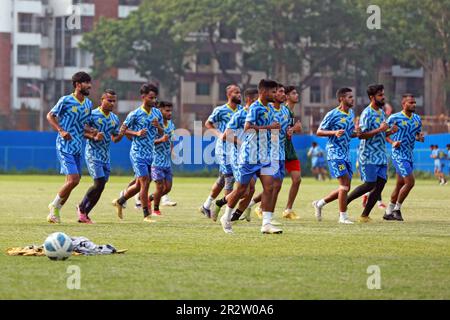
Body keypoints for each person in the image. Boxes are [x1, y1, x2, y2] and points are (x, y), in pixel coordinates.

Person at [219, 79, 282, 234]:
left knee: (270, 187)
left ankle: (266, 224)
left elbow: (271, 129)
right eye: (273, 92)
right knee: (241, 191)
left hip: (264, 156)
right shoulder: (255, 107)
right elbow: (247, 128)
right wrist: (269, 127)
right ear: (263, 92)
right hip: (249, 156)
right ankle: (226, 218)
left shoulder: (270, 109)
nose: (275, 94)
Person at [46, 71, 97, 223]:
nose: (89, 86)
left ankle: (55, 213)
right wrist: (61, 130)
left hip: (77, 147)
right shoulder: (66, 100)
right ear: (77, 85)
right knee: (73, 179)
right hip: (64, 145)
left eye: (90, 83)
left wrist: (91, 132)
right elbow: (50, 115)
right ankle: (53, 205)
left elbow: (83, 126)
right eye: (86, 83)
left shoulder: (88, 104)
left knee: (73, 181)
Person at [345, 84, 397, 222]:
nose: (383, 97)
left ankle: (364, 215)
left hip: (380, 155)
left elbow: (381, 132)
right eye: (380, 95)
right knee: (369, 184)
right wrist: (380, 130)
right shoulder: (367, 113)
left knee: (380, 185)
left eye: (383, 94)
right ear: (371, 97)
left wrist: (390, 131)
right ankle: (344, 202)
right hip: (368, 155)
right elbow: (361, 135)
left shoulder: (381, 112)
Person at [112, 83, 164, 223]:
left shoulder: (157, 113)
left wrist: (158, 126)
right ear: (143, 97)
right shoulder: (134, 114)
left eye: (155, 98)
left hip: (150, 154)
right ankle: (147, 215)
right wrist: (136, 133)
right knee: (145, 182)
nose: (154, 100)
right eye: (151, 97)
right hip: (137, 153)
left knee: (139, 185)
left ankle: (120, 200)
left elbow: (162, 132)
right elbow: (121, 130)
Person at [312, 88, 360, 224]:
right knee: (344, 183)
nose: (352, 99)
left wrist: (357, 132)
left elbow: (350, 133)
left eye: (352, 96)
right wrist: (334, 132)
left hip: (345, 153)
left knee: (345, 187)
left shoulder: (351, 113)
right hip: (335, 152)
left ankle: (320, 203)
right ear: (341, 99)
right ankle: (343, 217)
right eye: (350, 97)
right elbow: (319, 131)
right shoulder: (332, 114)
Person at [77, 89, 125, 223]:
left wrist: (122, 133)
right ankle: (81, 207)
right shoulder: (92, 115)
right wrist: (93, 136)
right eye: (109, 100)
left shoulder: (114, 118)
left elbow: (115, 139)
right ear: (102, 100)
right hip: (93, 154)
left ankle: (85, 214)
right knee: (98, 183)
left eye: (114, 101)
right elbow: (81, 131)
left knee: (101, 186)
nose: (112, 103)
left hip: (105, 156)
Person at [214, 88, 259, 222]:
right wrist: (241, 142)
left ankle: (233, 214)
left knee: (250, 190)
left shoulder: (257, 115)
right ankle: (224, 209)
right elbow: (225, 135)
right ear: (250, 100)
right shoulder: (239, 115)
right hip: (238, 158)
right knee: (244, 190)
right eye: (257, 101)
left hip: (253, 156)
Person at [199, 85, 242, 220]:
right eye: (236, 92)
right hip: (224, 150)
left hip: (237, 149)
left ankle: (206, 206)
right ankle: (227, 214)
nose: (239, 95)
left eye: (240, 92)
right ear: (229, 94)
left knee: (223, 179)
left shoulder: (242, 110)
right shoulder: (221, 110)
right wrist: (218, 134)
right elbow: (208, 123)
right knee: (229, 180)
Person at [383, 94, 424, 221]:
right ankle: (397, 209)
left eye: (415, 102)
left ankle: (388, 211)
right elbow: (383, 133)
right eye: (411, 102)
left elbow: (416, 134)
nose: (414, 104)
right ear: (403, 104)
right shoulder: (395, 117)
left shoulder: (417, 118)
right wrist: (392, 142)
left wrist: (419, 138)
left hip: (409, 155)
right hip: (398, 155)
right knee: (410, 182)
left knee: (400, 184)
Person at [151, 101, 176, 216]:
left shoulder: (171, 124)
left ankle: (148, 198)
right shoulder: (155, 124)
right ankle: (155, 209)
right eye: (167, 110)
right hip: (156, 161)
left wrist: (172, 150)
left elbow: (171, 139)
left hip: (167, 162)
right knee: (160, 187)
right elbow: (149, 142)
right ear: (160, 110)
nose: (169, 113)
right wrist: (161, 140)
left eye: (171, 110)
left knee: (167, 188)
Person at [281, 85, 302, 219]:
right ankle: (255, 205)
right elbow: (285, 131)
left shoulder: (291, 112)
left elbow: (289, 132)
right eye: (294, 93)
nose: (297, 95)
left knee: (297, 179)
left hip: (289, 149)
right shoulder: (283, 111)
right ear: (287, 96)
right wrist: (295, 128)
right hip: (281, 149)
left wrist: (294, 129)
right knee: (274, 183)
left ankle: (288, 210)